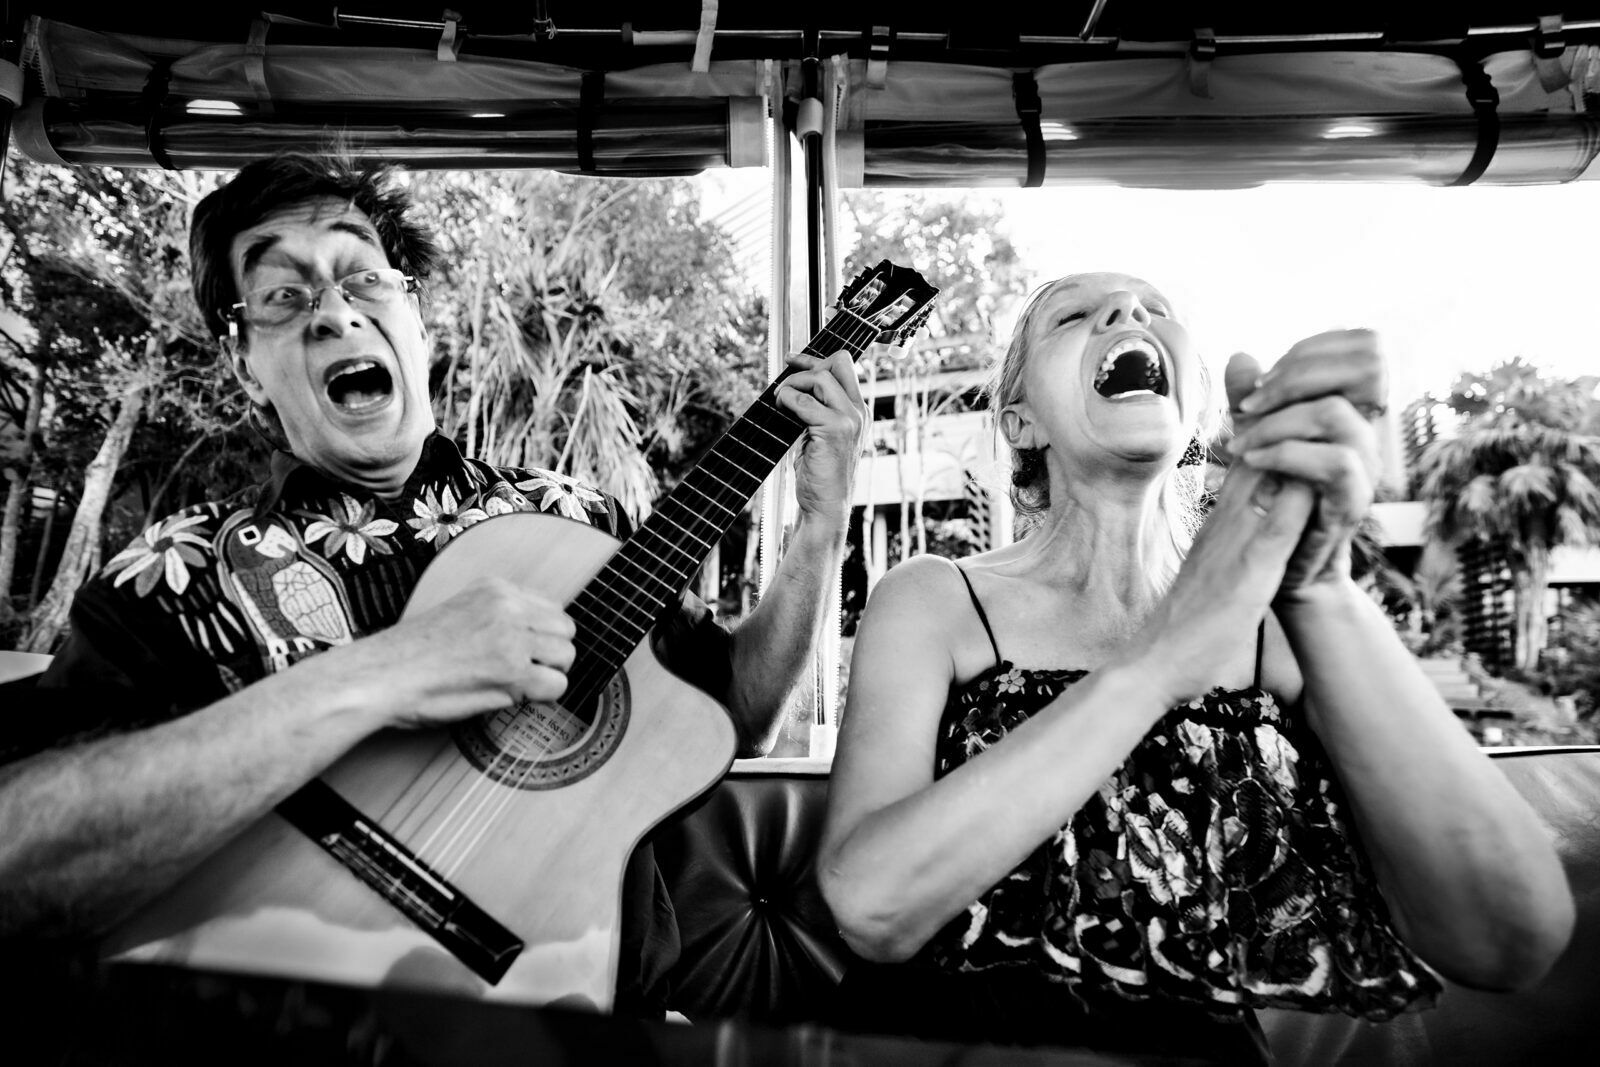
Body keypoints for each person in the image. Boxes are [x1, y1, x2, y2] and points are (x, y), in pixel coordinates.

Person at [0, 152, 865, 1014]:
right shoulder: (172, 579)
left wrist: (818, 530)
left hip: (588, 1022)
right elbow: (19, 861)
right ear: (240, 359)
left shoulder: (578, 523)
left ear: (416, 316)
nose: (333, 312)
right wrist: (385, 671)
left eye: (363, 278)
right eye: (283, 296)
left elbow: (737, 716)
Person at [817, 273, 1574, 1063]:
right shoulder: (934, 598)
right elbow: (870, 907)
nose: (1127, 314)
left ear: (1202, 417)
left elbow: (1510, 938)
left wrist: (1322, 587)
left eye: (1156, 311)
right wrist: (1162, 660)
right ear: (1021, 420)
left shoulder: (1282, 619)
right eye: (1076, 316)